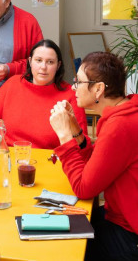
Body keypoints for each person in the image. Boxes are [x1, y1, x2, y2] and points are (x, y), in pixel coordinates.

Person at [49, 52, 138, 260]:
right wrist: (75, 131)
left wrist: (63, 136)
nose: (73, 87)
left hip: (128, 232)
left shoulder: (120, 126)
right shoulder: (122, 112)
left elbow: (84, 188)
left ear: (98, 89)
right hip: (117, 215)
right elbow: (96, 166)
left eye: (78, 82)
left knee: (61, 249)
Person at [0, 40, 87, 149]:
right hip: (10, 160)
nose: (43, 67)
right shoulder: (13, 84)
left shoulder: (71, 95)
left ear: (58, 66)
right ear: (30, 61)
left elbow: (81, 140)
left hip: (51, 162)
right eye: (38, 60)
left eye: (50, 62)